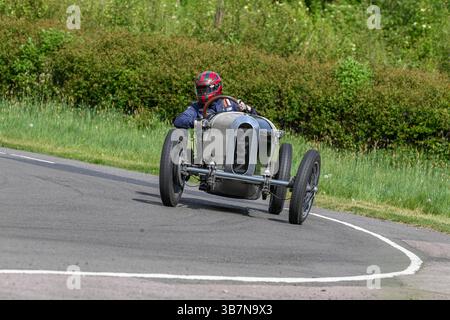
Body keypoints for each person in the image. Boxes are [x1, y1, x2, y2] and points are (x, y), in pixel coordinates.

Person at [173, 71, 256, 129]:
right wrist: (199, 123)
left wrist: (247, 109)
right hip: (208, 146)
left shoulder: (230, 103)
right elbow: (179, 120)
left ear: (216, 87)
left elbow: (256, 119)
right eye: (200, 90)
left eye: (205, 90)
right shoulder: (196, 107)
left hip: (234, 144)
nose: (203, 93)